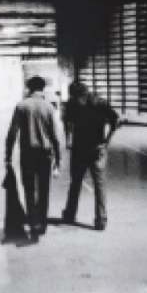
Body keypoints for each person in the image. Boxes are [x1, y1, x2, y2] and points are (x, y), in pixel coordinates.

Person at [5, 75, 61, 242]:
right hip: (45, 153)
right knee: (44, 189)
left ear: (29, 88)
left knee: (29, 189)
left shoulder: (21, 106)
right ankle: (42, 224)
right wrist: (58, 159)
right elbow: (54, 136)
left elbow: (12, 132)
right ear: (43, 88)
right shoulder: (49, 107)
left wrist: (8, 155)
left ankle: (33, 222)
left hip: (28, 153)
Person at [62, 82, 118, 231]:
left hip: (86, 149)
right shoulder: (99, 103)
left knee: (79, 183)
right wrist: (107, 141)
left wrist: (106, 141)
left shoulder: (77, 104)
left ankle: (71, 215)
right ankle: (100, 219)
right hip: (91, 149)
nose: (74, 99)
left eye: (74, 97)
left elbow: (67, 123)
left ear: (79, 95)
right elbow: (115, 120)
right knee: (95, 184)